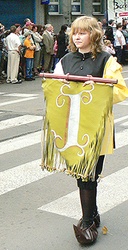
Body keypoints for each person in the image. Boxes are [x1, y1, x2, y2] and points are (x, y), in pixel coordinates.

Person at [52, 16, 128, 245]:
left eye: (83, 32)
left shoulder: (107, 61)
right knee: (81, 172)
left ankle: (86, 221)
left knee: (89, 173)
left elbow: (120, 90)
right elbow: (54, 89)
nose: (77, 36)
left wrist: (96, 89)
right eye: (75, 32)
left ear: (93, 34)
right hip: (72, 125)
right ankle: (92, 215)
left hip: (96, 127)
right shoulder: (65, 60)